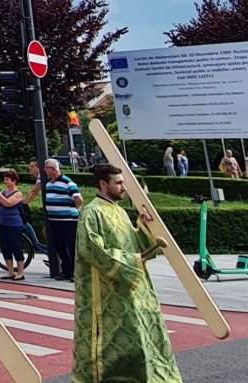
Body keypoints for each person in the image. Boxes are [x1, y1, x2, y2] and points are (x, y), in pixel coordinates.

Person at [72, 164, 182, 383]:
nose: (124, 188)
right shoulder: (91, 212)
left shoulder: (120, 211)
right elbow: (92, 249)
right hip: (105, 293)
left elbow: (135, 245)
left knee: (139, 335)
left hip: (130, 287)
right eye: (119, 183)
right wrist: (132, 261)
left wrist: (146, 227)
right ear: (104, 184)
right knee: (110, 343)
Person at [40, 158, 83, 282]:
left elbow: (78, 199)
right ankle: (66, 271)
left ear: (53, 169)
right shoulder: (48, 183)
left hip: (68, 220)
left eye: (46, 168)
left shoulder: (67, 182)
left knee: (71, 246)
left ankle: (75, 272)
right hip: (55, 220)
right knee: (60, 246)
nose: (44, 170)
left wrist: (73, 208)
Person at [0, 169, 27, 280]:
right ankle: (10, 271)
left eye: (8, 179)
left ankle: (20, 272)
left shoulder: (18, 193)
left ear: (14, 181)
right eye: (5, 179)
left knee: (16, 247)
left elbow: (8, 203)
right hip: (3, 223)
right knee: (5, 247)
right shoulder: (3, 191)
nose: (5, 181)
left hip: (14, 224)